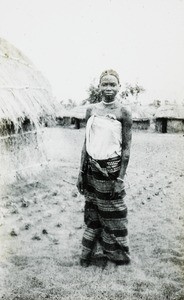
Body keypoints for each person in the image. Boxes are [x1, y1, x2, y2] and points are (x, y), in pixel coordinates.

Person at [77, 69, 132, 267]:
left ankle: (117, 257)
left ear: (119, 87)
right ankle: (91, 254)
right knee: (93, 212)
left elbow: (126, 149)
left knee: (114, 215)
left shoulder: (123, 112)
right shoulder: (91, 110)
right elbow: (86, 143)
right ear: (99, 86)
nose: (108, 88)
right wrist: (81, 172)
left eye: (112, 84)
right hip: (91, 170)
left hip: (111, 170)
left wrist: (120, 179)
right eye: (105, 84)